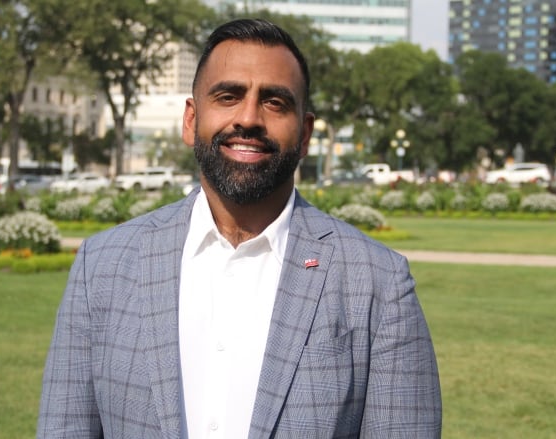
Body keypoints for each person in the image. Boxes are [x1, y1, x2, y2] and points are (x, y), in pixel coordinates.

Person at [37, 18, 441, 438]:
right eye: (228, 96)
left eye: (275, 102)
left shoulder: (377, 282)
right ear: (191, 120)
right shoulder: (102, 267)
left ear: (304, 135)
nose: (248, 118)